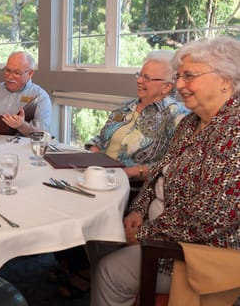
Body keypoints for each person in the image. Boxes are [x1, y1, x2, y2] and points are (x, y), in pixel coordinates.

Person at [91, 36, 240, 305]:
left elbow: (213, 217)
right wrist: (139, 208)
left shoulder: (235, 132)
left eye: (189, 76)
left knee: (109, 270)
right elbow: (161, 171)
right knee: (100, 240)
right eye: (179, 76)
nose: (180, 85)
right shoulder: (192, 123)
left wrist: (145, 234)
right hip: (162, 230)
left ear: (225, 80)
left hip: (199, 252)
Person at [86, 50, 188, 179]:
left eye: (146, 77)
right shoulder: (125, 108)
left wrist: (131, 172)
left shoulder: (178, 117)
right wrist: (93, 155)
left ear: (167, 86)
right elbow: (100, 139)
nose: (139, 80)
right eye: (139, 75)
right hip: (98, 177)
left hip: (134, 189)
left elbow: (176, 164)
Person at [0, 51, 51, 136]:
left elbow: (42, 135)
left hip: (19, 147)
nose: (10, 77)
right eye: (7, 70)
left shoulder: (40, 96)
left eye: (17, 73)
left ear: (30, 73)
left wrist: (22, 125)